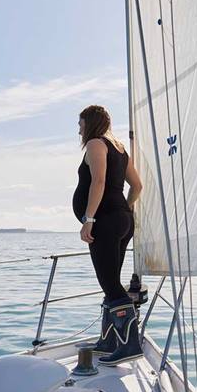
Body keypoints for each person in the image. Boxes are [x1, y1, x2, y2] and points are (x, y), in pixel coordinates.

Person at [73, 105, 143, 366]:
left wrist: (89, 219)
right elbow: (137, 186)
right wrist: (125, 208)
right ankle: (110, 340)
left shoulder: (95, 144)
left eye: (80, 124)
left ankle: (130, 346)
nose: (78, 129)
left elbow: (98, 182)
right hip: (123, 220)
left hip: (105, 222)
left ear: (89, 123)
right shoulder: (120, 148)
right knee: (110, 280)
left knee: (111, 285)